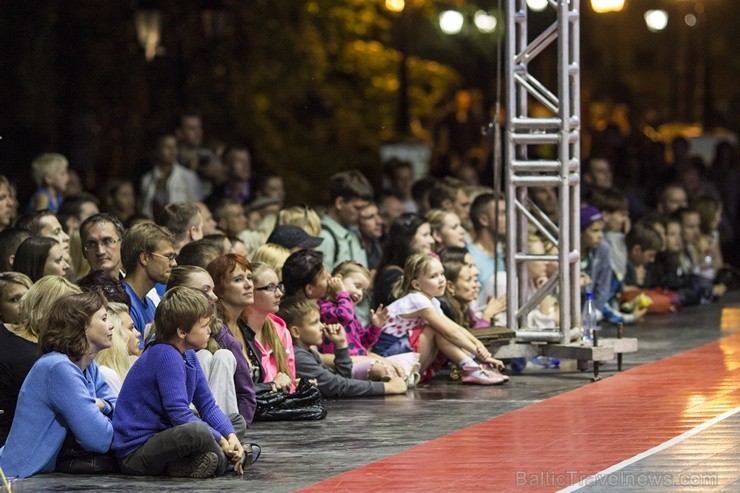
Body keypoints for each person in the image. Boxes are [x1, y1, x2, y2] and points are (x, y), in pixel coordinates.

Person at [112, 287, 259, 478]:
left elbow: (208, 406)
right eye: (205, 325)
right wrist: (222, 442)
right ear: (182, 331)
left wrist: (230, 436)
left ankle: (189, 464)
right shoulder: (165, 354)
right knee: (196, 430)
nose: (210, 330)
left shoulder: (188, 355)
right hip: (136, 454)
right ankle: (227, 462)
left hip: (166, 439)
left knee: (235, 421)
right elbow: (180, 415)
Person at [0, 290, 116, 478]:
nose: (111, 326)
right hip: (14, 479)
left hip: (39, 479)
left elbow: (119, 406)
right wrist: (105, 408)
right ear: (82, 326)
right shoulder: (58, 368)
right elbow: (99, 439)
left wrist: (103, 404)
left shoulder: (88, 366)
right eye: (103, 319)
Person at [373, 253, 507, 385]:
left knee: (440, 329)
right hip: (388, 356)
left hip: (405, 354)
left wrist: (480, 347)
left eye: (442, 274)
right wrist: (480, 355)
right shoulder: (417, 299)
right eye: (433, 276)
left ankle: (473, 366)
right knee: (434, 329)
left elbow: (455, 328)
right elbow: (450, 332)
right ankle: (472, 368)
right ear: (416, 284)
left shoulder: (432, 302)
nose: (441, 279)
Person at [168, 265, 255, 424]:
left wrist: (239, 428)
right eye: (205, 290)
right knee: (202, 355)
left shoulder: (221, 334)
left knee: (223, 355)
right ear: (181, 295)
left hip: (219, 420)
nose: (214, 297)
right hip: (179, 423)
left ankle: (221, 431)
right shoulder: (158, 337)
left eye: (213, 289)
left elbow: (246, 393)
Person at [0, 276, 82, 445]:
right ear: (56, 314)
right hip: (12, 451)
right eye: (74, 315)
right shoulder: (40, 360)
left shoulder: (6, 332)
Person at [278, 297, 408, 398]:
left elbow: (343, 378)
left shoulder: (308, 352)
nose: (322, 326)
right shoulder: (298, 356)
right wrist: (387, 387)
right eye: (314, 323)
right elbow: (336, 386)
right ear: (296, 332)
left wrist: (340, 345)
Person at [315, 261, 415, 382]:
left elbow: (363, 343)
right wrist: (341, 292)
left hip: (360, 359)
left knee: (405, 361)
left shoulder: (350, 310)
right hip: (342, 365)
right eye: (357, 286)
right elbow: (344, 316)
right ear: (338, 280)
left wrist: (375, 327)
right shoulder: (325, 307)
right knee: (381, 369)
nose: (360, 293)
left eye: (364, 291)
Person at [241, 262, 297, 392]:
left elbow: (290, 381)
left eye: (279, 286)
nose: (279, 293)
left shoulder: (281, 331)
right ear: (250, 291)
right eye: (270, 288)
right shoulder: (236, 331)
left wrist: (297, 386)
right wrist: (272, 385)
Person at [121, 223, 177, 345]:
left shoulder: (150, 304)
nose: (174, 263)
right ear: (145, 258)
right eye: (169, 257)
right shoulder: (123, 302)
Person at [373, 213, 435, 308]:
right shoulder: (392, 276)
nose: (432, 240)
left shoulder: (405, 271)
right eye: (425, 235)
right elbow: (413, 311)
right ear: (407, 239)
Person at [317, 170, 374, 271]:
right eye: (357, 208)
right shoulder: (324, 237)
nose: (362, 213)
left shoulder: (354, 231)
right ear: (340, 203)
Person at [138, 132, 201, 219]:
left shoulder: (188, 176)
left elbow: (196, 205)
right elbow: (144, 207)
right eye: (167, 147)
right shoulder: (147, 179)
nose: (172, 150)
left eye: (175, 146)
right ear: (158, 150)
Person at [95, 302, 140, 395]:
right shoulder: (106, 374)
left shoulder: (132, 366)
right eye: (131, 328)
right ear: (116, 334)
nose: (138, 333)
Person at [79, 213, 125, 279]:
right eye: (92, 244)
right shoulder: (75, 289)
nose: (100, 252)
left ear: (122, 245)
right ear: (84, 252)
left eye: (107, 241)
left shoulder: (135, 288)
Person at [357, 202, 384, 272]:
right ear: (357, 223)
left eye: (378, 215)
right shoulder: (351, 247)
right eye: (370, 217)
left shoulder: (380, 246)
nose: (379, 221)